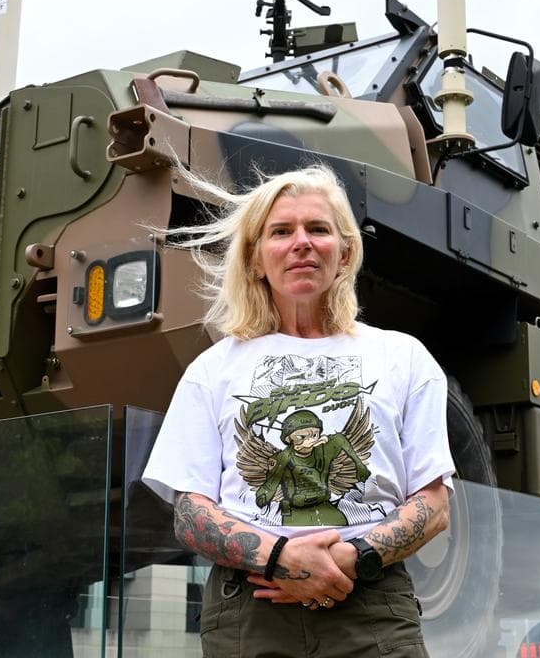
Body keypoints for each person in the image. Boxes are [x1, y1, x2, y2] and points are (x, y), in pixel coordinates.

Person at [142, 165, 455, 658]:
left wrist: (354, 557)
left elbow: (434, 505)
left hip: (370, 603)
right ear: (255, 260)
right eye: (282, 231)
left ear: (345, 252)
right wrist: (281, 558)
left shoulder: (404, 357)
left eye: (318, 229)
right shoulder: (212, 370)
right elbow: (191, 513)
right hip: (251, 608)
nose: (302, 243)